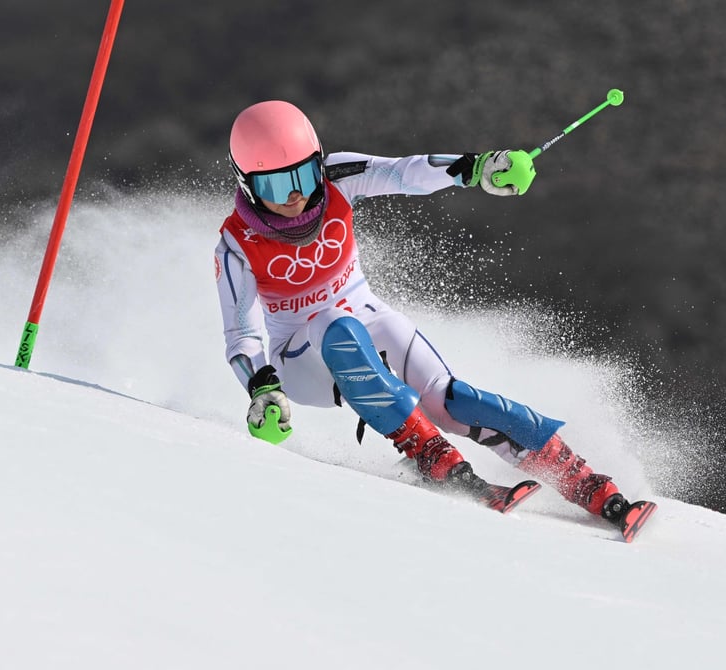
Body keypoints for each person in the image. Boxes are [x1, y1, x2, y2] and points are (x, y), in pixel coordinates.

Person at [214, 99, 649, 529]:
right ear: (248, 185)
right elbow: (241, 334)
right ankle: (431, 456)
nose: (295, 195)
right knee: (333, 323)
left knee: (447, 398)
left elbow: (404, 172)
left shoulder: (336, 178)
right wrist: (262, 389)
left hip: (366, 316)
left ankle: (585, 482)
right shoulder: (236, 243)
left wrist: (479, 168)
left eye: (304, 175)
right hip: (299, 355)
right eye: (275, 186)